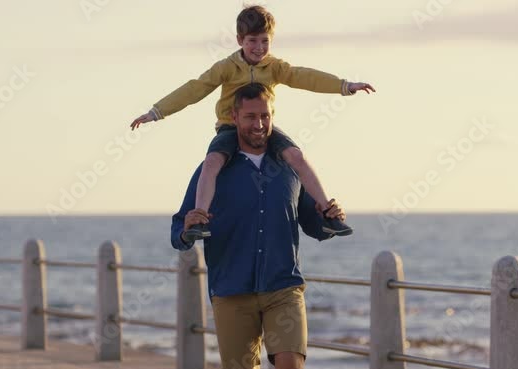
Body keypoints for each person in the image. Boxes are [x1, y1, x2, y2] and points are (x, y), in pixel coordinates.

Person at [170, 83, 345, 369]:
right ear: (234, 117)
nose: (259, 124)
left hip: (284, 285)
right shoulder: (215, 167)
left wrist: (328, 218)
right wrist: (188, 225)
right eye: (250, 117)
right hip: (232, 289)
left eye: (265, 116)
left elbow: (309, 223)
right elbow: (180, 228)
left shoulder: (287, 167)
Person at [141, 4, 372, 240]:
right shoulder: (226, 67)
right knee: (211, 162)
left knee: (297, 157)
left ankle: (329, 213)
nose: (259, 48)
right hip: (230, 128)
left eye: (265, 41)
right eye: (252, 40)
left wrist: (344, 86)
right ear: (240, 39)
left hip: (265, 129)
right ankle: (200, 217)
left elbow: (305, 77)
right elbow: (195, 89)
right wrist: (157, 112)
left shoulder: (274, 67)